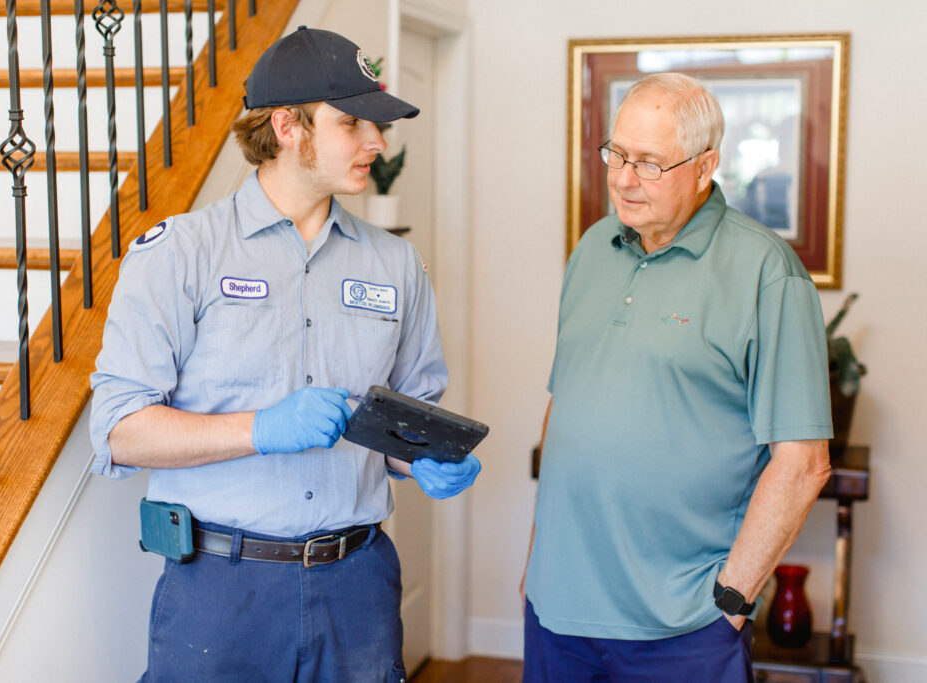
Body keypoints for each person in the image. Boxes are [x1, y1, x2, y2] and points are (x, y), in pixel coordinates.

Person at [89, 26, 481, 682]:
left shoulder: (396, 264)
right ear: (287, 126)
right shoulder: (182, 253)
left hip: (358, 588)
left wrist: (421, 460)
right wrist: (262, 429)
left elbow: (403, 426)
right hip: (218, 591)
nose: (376, 143)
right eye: (352, 123)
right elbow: (120, 430)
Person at [521, 73, 833, 682]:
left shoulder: (766, 271)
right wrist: (538, 563)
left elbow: (803, 462)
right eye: (617, 154)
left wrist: (731, 603)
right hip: (557, 611)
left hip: (683, 627)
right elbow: (567, 408)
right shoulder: (591, 249)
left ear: (705, 164)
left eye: (650, 163)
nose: (623, 178)